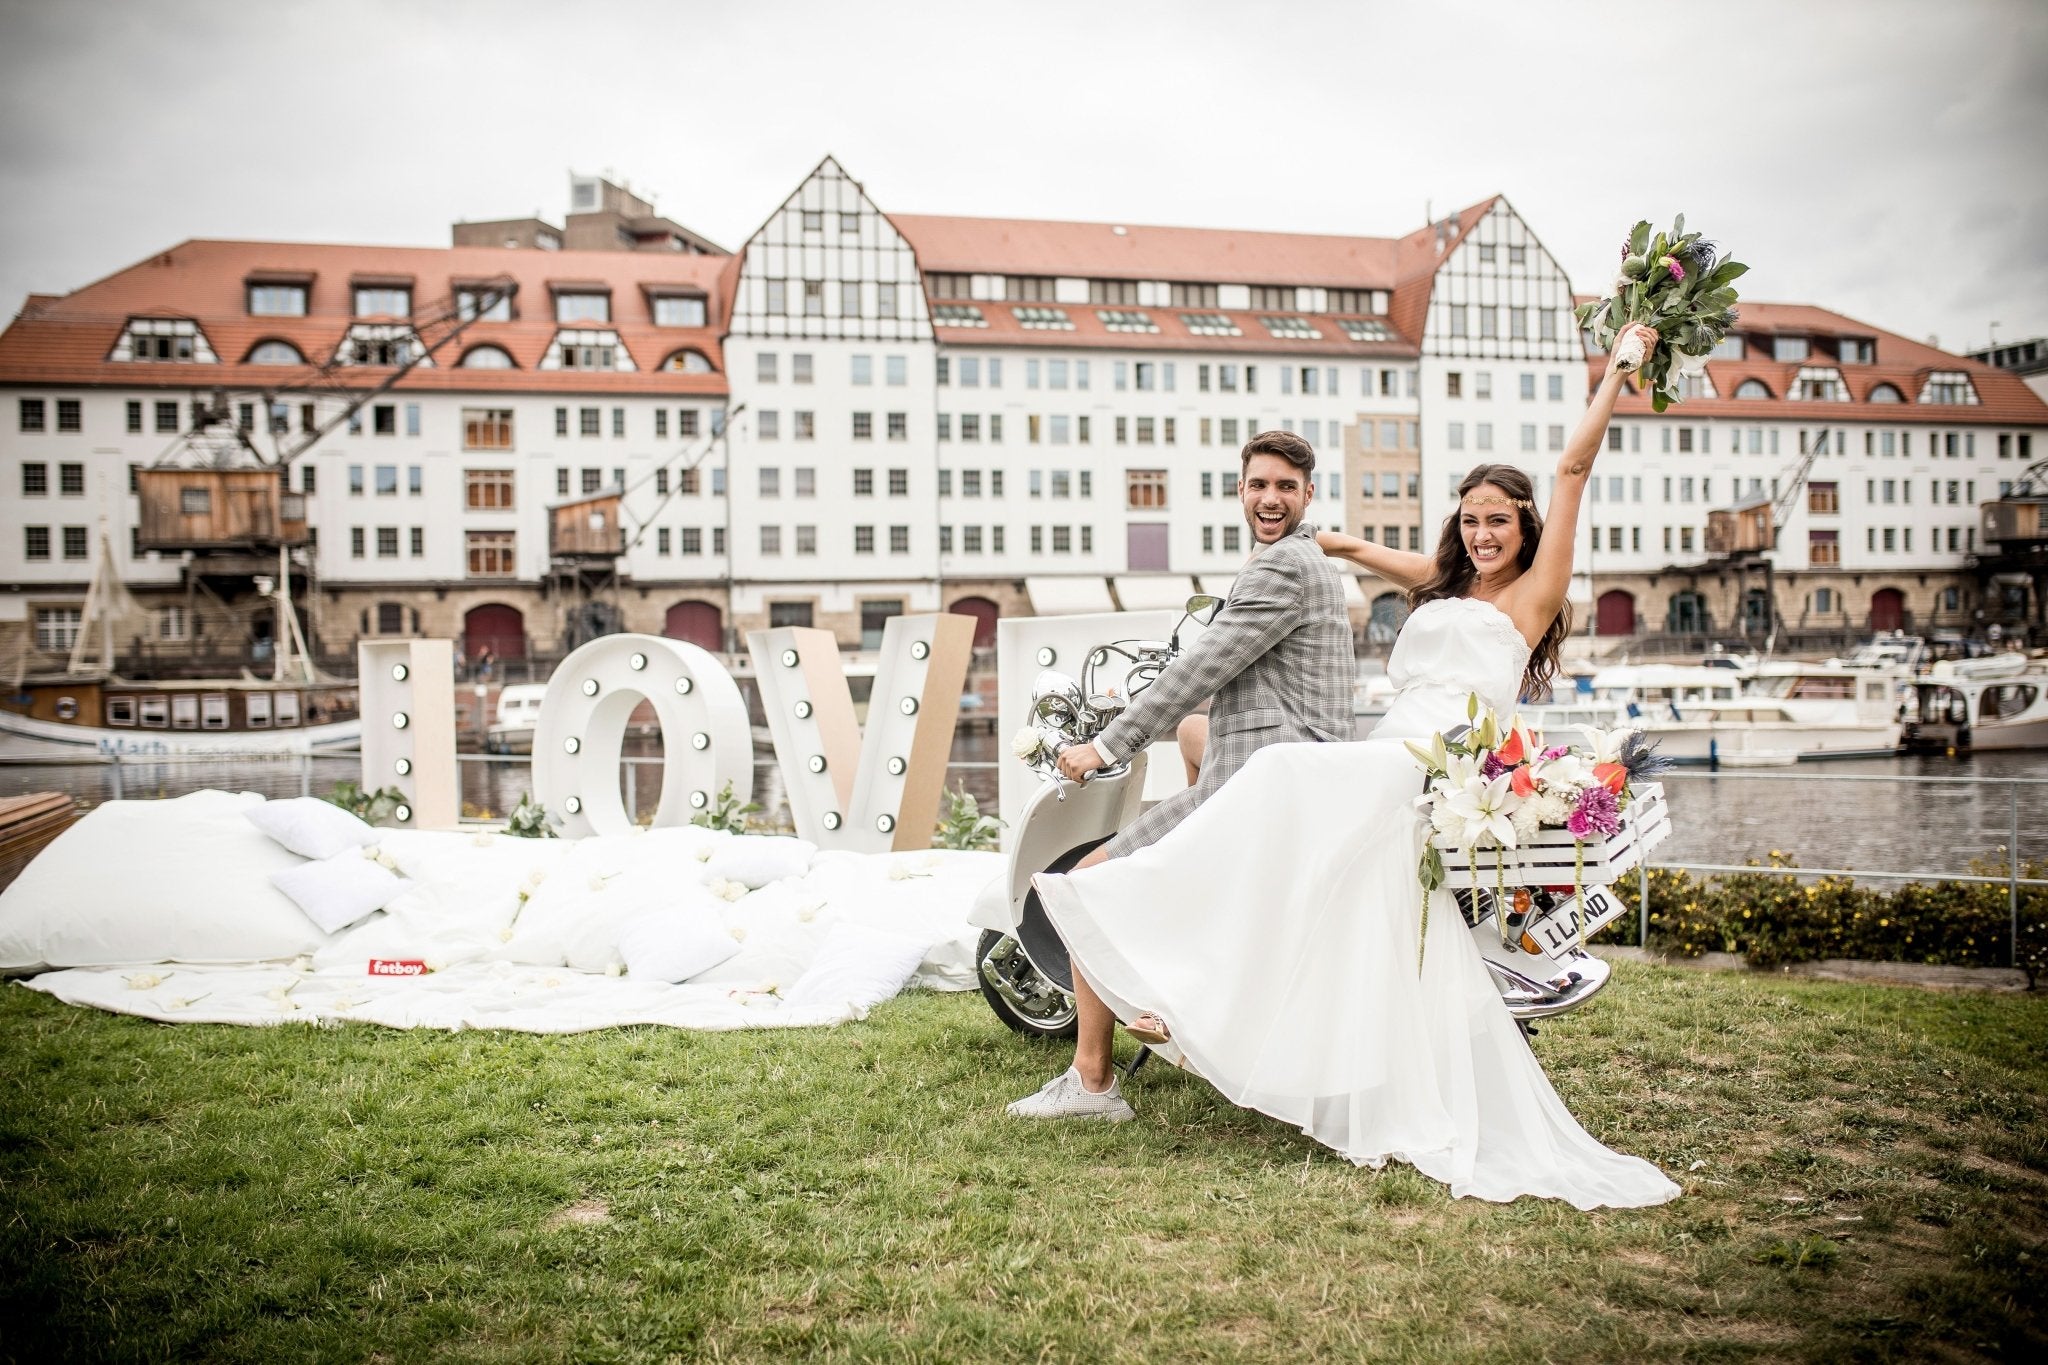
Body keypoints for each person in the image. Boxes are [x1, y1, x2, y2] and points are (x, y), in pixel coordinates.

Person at [1014, 322, 1681, 1211]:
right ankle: (1177, 979)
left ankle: (1161, 970)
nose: (1483, 534)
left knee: (1280, 778)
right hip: (1380, 749)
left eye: (1499, 521)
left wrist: (1617, 371)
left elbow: (1571, 470)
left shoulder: (1532, 594)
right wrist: (1300, 540)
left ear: (1526, 527)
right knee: (1241, 782)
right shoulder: (1448, 584)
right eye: (1471, 519)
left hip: (1430, 761)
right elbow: (1360, 551)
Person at [1007, 429, 1354, 1121]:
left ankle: (1093, 1081)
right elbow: (1228, 682)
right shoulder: (1300, 559)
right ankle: (1168, 984)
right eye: (1259, 484)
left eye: (1287, 486)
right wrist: (1188, 728)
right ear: (1240, 491)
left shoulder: (1281, 566)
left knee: (1088, 883)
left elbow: (1202, 667)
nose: (1271, 497)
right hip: (1298, 765)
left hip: (1271, 784)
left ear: (1309, 494)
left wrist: (1107, 746)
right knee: (1196, 734)